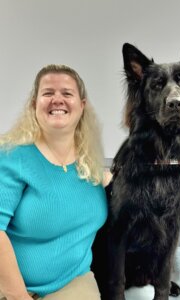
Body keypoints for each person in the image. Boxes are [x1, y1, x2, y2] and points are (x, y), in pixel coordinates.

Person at [0, 65, 111, 300]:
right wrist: (19, 296)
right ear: (34, 104)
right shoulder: (11, 157)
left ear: (82, 106)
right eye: (48, 93)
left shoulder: (90, 166)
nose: (57, 100)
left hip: (72, 282)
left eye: (67, 93)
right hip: (8, 288)